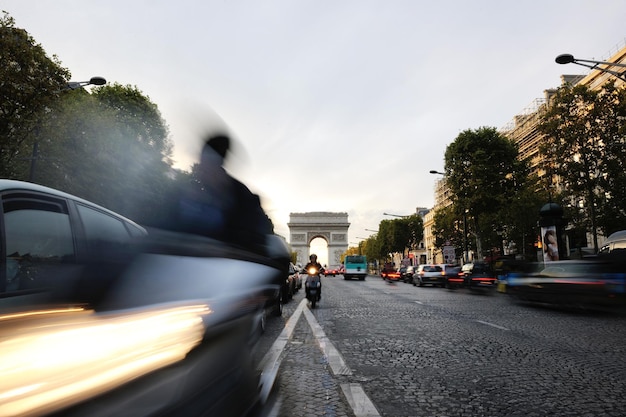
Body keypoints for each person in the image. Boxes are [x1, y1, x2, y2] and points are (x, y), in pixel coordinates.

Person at [161, 133, 274, 254]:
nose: (202, 170)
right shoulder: (189, 193)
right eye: (202, 164)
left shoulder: (244, 199)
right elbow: (165, 223)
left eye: (208, 164)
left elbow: (260, 237)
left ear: (219, 165)